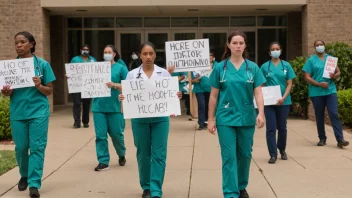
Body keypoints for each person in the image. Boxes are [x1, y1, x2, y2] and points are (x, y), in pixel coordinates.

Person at [119, 42, 182, 198]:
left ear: (155, 55)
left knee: (159, 154)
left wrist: (176, 97)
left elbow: (171, 95)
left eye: (151, 54)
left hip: (160, 120)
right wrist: (123, 98)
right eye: (145, 54)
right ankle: (146, 186)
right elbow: (127, 99)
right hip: (139, 120)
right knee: (143, 154)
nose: (148, 57)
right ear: (140, 55)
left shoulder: (164, 74)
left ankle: (155, 190)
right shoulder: (132, 74)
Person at [207, 31, 266, 198]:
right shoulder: (220, 68)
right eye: (234, 43)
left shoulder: (252, 67)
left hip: (247, 117)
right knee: (228, 156)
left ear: (245, 45)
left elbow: (258, 93)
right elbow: (213, 95)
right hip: (225, 118)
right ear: (229, 45)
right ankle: (230, 192)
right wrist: (211, 119)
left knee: (245, 154)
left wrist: (261, 113)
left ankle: (241, 186)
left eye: (241, 43)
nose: (238, 46)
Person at [1, 31, 56, 198]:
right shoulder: (10, 68)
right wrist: (6, 92)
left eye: (22, 42)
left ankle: (34, 183)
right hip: (18, 113)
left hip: (38, 112)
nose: (19, 45)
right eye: (16, 42)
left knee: (38, 147)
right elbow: (7, 93)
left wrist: (39, 86)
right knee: (21, 148)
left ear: (31, 44)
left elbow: (49, 91)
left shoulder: (43, 65)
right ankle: (24, 174)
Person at [302, 40, 349, 148]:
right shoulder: (311, 60)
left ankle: (340, 139)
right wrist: (319, 84)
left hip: (330, 90)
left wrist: (334, 76)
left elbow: (338, 72)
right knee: (319, 115)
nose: (319, 46)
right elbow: (307, 77)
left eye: (321, 45)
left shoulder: (330, 59)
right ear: (314, 47)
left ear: (324, 46)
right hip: (316, 92)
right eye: (317, 45)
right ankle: (322, 138)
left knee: (334, 114)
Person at [92, 45, 127, 171]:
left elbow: (129, 85)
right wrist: (73, 78)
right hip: (98, 107)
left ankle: (121, 153)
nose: (106, 54)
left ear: (114, 54)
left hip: (115, 107)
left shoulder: (121, 68)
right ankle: (103, 161)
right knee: (100, 136)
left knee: (117, 135)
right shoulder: (96, 68)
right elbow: (85, 81)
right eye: (104, 52)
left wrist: (115, 85)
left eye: (109, 52)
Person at [260, 42, 296, 164]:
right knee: (270, 128)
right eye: (273, 49)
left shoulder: (286, 65)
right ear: (269, 52)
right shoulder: (265, 67)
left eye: (277, 49)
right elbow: (262, 83)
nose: (275, 51)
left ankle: (282, 150)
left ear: (280, 50)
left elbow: (289, 83)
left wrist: (283, 97)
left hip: (284, 101)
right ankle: (273, 154)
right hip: (269, 102)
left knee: (282, 127)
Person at [70, 44, 96, 128]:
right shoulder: (75, 59)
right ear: (81, 50)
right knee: (77, 104)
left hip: (87, 86)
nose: (85, 51)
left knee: (86, 104)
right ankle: (77, 122)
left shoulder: (92, 59)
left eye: (87, 49)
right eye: (84, 49)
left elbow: (97, 71)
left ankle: (85, 122)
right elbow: (70, 70)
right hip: (77, 85)